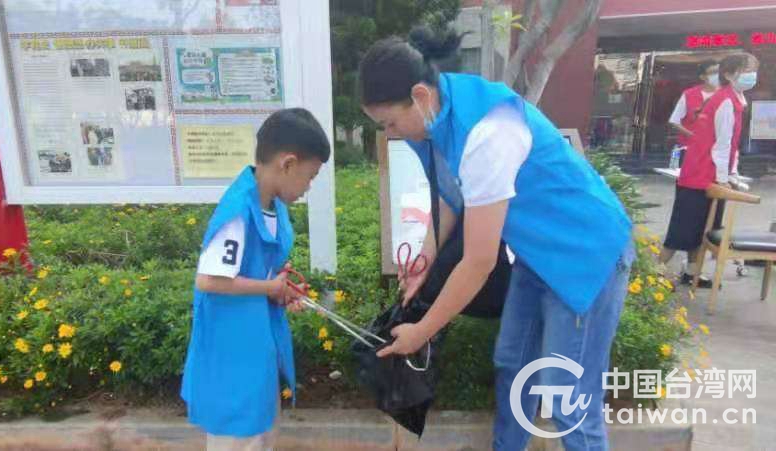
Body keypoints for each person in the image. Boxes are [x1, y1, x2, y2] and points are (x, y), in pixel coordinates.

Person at [359, 26, 634, 450]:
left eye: (390, 122)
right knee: (513, 366)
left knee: (568, 399)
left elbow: (479, 262)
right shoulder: (439, 116)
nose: (391, 133)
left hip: (584, 254)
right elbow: (454, 194)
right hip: (537, 255)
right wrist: (426, 259)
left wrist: (423, 331)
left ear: (419, 95)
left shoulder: (488, 131)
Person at [180, 108, 330, 450]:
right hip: (231, 352)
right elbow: (209, 280)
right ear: (287, 164)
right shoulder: (238, 211)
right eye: (310, 176)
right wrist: (270, 287)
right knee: (238, 435)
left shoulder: (271, 205)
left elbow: (256, 271)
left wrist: (280, 287)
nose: (309, 187)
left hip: (255, 344)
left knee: (261, 432)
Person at [663, 54, 759, 287]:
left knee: (703, 230)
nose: (752, 75)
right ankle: (653, 274)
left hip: (709, 173)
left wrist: (731, 174)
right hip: (701, 174)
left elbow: (731, 145)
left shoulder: (734, 99)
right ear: (729, 74)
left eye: (754, 69)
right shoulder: (725, 101)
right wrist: (724, 179)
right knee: (682, 230)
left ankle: (692, 274)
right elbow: (722, 145)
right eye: (747, 69)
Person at [668, 61, 720, 148]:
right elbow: (674, 121)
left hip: (715, 149)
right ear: (703, 77)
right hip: (688, 148)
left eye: (718, 71)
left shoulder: (726, 95)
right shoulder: (689, 94)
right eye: (713, 72)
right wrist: (693, 136)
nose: (717, 75)